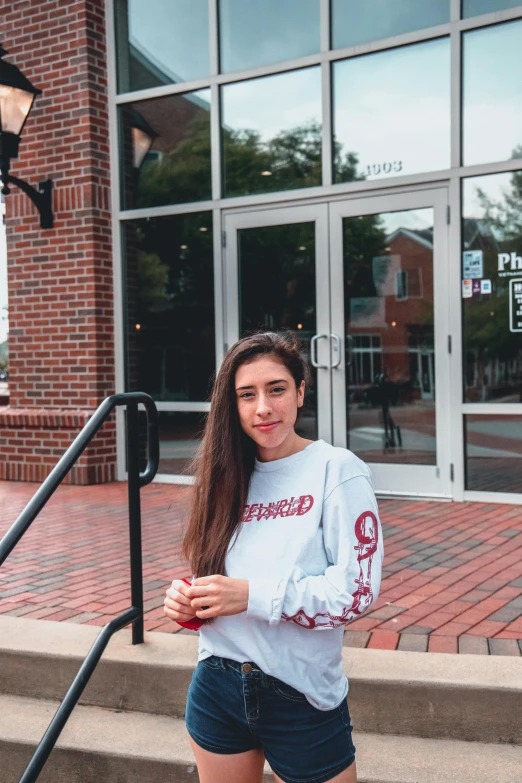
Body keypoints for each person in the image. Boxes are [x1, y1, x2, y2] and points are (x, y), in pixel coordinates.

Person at [164, 331, 384, 783]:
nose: (262, 407)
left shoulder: (336, 470)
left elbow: (354, 594)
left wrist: (249, 596)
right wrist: (190, 603)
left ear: (301, 391)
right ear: (234, 406)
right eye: (247, 395)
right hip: (218, 682)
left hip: (301, 693)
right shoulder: (225, 475)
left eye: (276, 389)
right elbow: (219, 581)